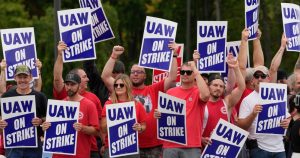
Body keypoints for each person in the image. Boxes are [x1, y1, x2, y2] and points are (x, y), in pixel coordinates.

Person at [101, 42, 178, 158]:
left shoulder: (154, 89)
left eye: (139, 72)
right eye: (133, 72)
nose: (135, 74)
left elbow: (172, 77)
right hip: (128, 146)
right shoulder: (122, 88)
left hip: (154, 146)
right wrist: (113, 56)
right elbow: (105, 76)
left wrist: (174, 55)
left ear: (145, 76)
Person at [53, 41, 102, 158]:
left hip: (89, 149)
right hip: (62, 152)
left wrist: (83, 128)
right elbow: (57, 78)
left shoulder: (91, 100)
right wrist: (60, 55)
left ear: (77, 84)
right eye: (85, 77)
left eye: (72, 84)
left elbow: (97, 128)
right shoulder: (61, 102)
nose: (88, 79)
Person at [154, 61, 210, 158]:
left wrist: (196, 71)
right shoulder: (170, 92)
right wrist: (158, 115)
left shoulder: (198, 92)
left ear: (194, 75)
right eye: (182, 71)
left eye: (188, 72)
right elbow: (163, 117)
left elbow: (206, 95)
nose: (184, 74)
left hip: (191, 145)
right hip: (170, 144)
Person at [237, 65, 291, 158]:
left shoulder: (277, 95)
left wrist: (287, 121)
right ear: (252, 80)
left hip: (279, 148)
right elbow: (241, 126)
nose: (260, 78)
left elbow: (287, 116)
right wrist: (253, 114)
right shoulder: (247, 100)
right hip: (259, 149)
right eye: (256, 76)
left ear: (268, 78)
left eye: (263, 76)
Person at [43, 72, 99, 158]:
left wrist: (83, 128)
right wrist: (45, 127)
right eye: (67, 84)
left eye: (72, 84)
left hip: (80, 154)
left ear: (79, 85)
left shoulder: (89, 105)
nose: (69, 87)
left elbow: (96, 131)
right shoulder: (59, 105)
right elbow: (50, 129)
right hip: (59, 155)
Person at [0, 65, 47, 158]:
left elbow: (48, 118)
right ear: (14, 78)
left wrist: (41, 121)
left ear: (30, 77)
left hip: (34, 146)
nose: (22, 80)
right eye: (19, 77)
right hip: (13, 146)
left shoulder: (40, 96)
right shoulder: (6, 96)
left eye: (25, 77)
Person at [201, 53, 245, 146]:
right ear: (208, 86)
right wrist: (201, 139)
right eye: (215, 85)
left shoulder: (226, 102)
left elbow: (241, 87)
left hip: (223, 149)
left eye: (221, 86)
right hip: (203, 149)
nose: (218, 88)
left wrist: (235, 67)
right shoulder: (200, 102)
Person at [100, 74, 147, 158]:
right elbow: (103, 129)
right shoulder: (109, 104)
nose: (118, 87)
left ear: (127, 86)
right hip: (112, 149)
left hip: (131, 149)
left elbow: (144, 125)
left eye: (121, 85)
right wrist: (112, 116)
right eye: (116, 85)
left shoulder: (137, 105)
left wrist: (139, 127)